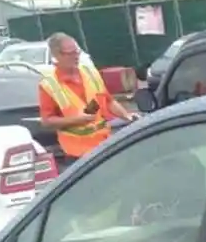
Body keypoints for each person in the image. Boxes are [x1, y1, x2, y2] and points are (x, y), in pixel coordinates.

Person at [37, 34, 134, 164]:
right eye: (70, 53)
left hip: (103, 146)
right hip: (77, 154)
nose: (76, 56)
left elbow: (108, 100)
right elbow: (47, 121)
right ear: (57, 56)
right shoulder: (49, 85)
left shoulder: (90, 72)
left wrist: (126, 116)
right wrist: (78, 120)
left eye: (77, 51)